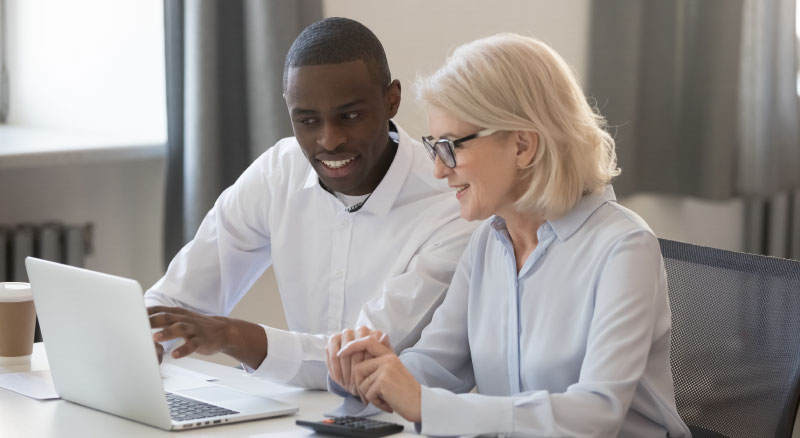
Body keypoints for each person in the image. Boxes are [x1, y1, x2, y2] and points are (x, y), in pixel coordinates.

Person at [327, 33, 691, 437]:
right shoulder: (488, 241)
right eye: (435, 147)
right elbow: (440, 365)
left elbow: (597, 413)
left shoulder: (623, 247)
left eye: (451, 147)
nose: (439, 170)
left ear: (522, 145)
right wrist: (373, 374)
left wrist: (426, 403)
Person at [145, 17, 476, 390]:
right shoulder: (279, 171)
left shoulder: (450, 204)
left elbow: (362, 357)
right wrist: (141, 340)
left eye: (349, 116)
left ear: (391, 100)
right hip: (297, 414)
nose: (329, 140)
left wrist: (231, 335)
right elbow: (177, 298)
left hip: (397, 423)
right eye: (307, 120)